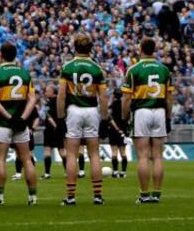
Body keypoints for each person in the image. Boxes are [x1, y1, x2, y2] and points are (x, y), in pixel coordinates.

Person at [57, 33, 108, 206]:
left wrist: (60, 117)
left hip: (74, 110)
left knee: (71, 154)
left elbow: (62, 95)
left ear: (75, 47)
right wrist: (105, 118)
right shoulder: (97, 69)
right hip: (92, 110)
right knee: (94, 154)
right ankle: (98, 195)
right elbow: (103, 97)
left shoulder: (68, 67)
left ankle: (71, 196)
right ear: (90, 48)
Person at [122, 37, 174, 204]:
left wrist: (124, 118)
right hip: (159, 110)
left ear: (141, 49)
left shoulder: (134, 69)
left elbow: (126, 98)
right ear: (154, 49)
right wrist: (168, 117)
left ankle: (144, 194)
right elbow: (169, 98)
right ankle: (157, 193)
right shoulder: (164, 70)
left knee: (143, 156)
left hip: (142, 111)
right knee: (158, 156)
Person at [0, 41, 38, 207]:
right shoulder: (24, 74)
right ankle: (32, 197)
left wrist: (9, 117)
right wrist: (22, 118)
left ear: (0, 54)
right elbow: (32, 99)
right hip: (21, 123)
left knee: (0, 160)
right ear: (15, 54)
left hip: (3, 122)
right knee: (27, 160)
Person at [40, 83, 65, 180]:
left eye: (47, 91)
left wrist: (54, 125)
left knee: (47, 150)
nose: (45, 93)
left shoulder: (49, 103)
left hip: (51, 129)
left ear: (52, 92)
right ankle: (68, 172)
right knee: (62, 150)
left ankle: (47, 173)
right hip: (60, 129)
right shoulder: (61, 102)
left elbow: (48, 116)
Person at [107, 88, 129, 179]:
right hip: (123, 130)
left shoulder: (112, 105)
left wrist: (116, 129)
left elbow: (110, 118)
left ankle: (115, 172)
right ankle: (123, 172)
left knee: (114, 152)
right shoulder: (125, 105)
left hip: (113, 130)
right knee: (123, 152)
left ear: (114, 95)